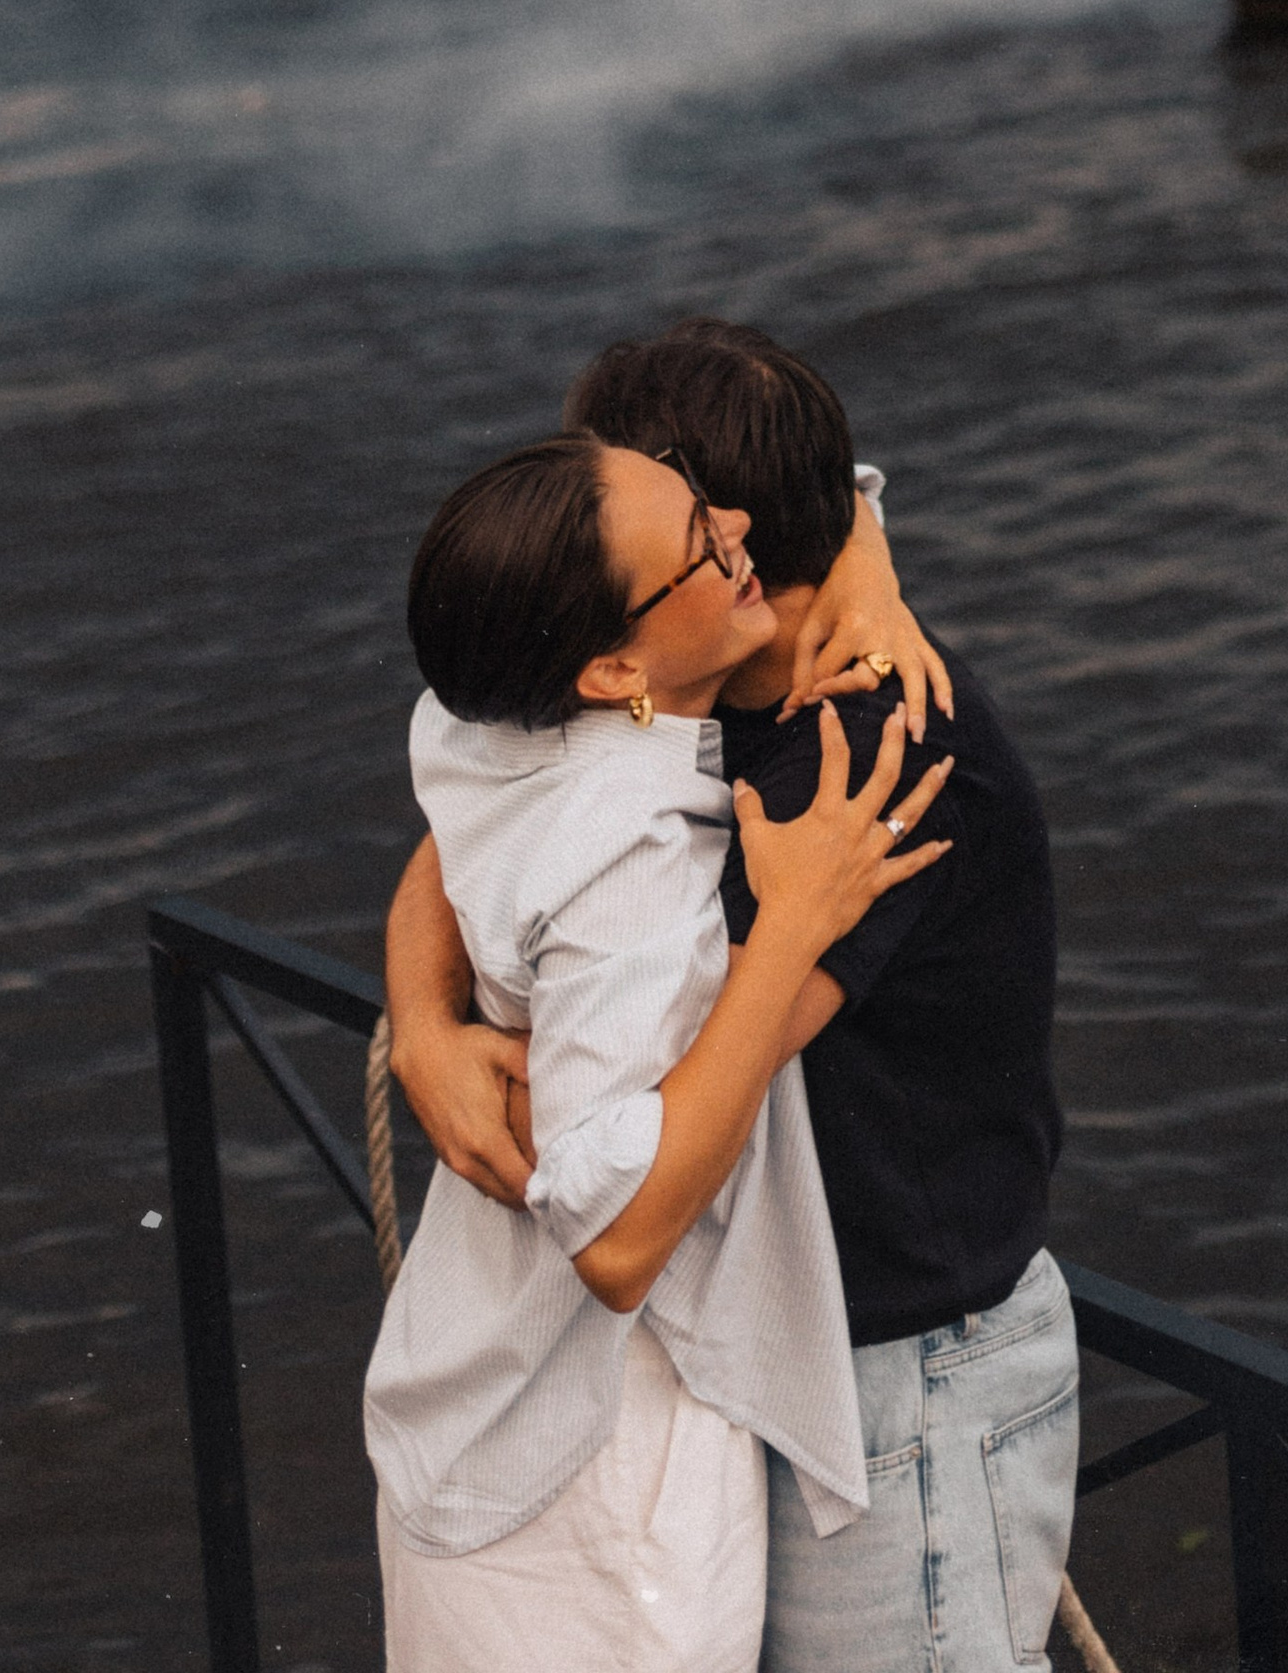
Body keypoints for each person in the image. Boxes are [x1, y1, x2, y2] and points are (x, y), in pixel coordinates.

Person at [392, 323, 1076, 1673]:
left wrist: (795, 919)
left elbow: (678, 1112)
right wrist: (423, 1023)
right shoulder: (679, 679)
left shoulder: (869, 753)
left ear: (731, 538)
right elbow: (481, 806)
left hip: (906, 1380)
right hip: (784, 1355)